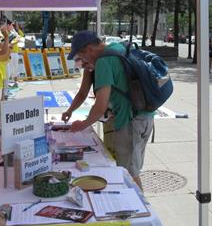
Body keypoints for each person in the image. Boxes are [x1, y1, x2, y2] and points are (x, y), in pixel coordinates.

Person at [65, 31, 153, 190]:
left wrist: (83, 124)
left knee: (127, 174)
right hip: (144, 117)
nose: (82, 61)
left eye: (81, 56)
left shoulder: (103, 62)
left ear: (89, 49)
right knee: (131, 170)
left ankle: (141, 210)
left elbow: (100, 106)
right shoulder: (118, 47)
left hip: (129, 122)